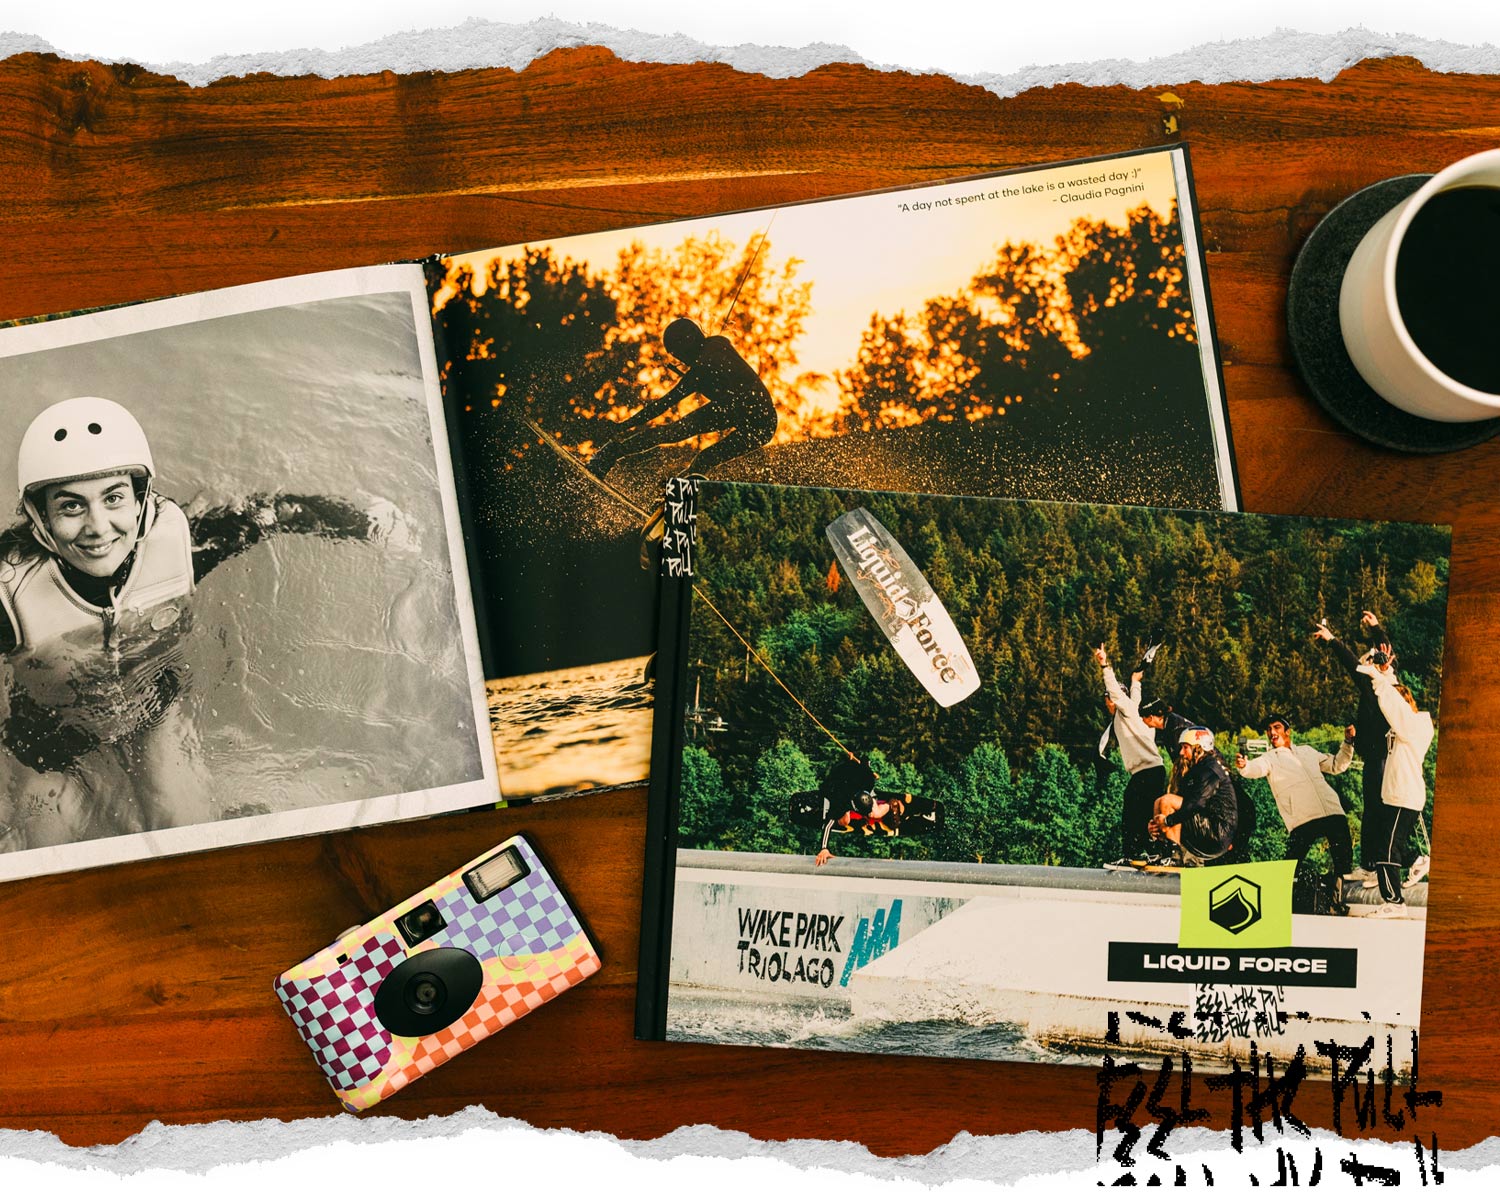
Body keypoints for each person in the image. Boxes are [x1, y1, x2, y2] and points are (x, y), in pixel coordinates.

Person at [0, 396, 405, 852]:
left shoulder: (180, 542)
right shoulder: (9, 593)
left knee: (189, 829)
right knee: (47, 852)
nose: (98, 526)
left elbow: (271, 514)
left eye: (113, 498)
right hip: (48, 732)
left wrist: (369, 524)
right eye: (71, 507)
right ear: (39, 516)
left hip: (152, 707)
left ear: (139, 499)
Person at [586, 318, 779, 479]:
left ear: (689, 341)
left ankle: (611, 453)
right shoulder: (717, 342)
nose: (679, 359)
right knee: (704, 458)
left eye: (677, 353)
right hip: (751, 417)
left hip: (757, 420)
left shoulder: (703, 366)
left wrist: (624, 425)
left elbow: (662, 405)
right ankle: (678, 488)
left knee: (674, 433)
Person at [1235, 715, 1357, 916]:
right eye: (1269, 729)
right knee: (1291, 861)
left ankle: (1337, 900)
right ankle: (1277, 900)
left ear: (1287, 731)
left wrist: (1348, 743)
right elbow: (1254, 769)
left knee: (1342, 857)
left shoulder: (1307, 752)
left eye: (1276, 727)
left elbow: (1336, 765)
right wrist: (1244, 766)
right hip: (1303, 816)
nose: (1272, 732)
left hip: (1331, 810)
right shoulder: (1269, 758)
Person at [1313, 611, 1397, 882]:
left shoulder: (1381, 683)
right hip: (1376, 756)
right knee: (1373, 811)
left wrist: (1332, 639)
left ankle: (1382, 864)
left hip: (1383, 757)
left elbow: (1357, 661)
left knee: (1378, 811)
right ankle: (1371, 864)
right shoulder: (1375, 684)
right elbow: (1381, 652)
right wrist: (1375, 629)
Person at [1356, 665, 1435, 917]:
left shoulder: (1416, 726)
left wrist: (1379, 680)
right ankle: (1417, 860)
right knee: (1386, 843)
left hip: (1405, 796)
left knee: (1387, 847)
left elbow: (1394, 705)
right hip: (1394, 797)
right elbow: (1389, 706)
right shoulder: (1401, 729)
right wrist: (1386, 673)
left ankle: (1394, 902)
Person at [1093, 644, 1167, 867]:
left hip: (1146, 771)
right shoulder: (1133, 710)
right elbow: (1134, 697)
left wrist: (1104, 664)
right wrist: (1136, 681)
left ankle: (1138, 853)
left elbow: (1117, 692)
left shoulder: (1123, 709)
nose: (1107, 703)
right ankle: (1149, 851)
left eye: (1108, 699)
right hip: (1151, 771)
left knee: (1134, 814)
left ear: (1112, 700)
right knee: (1144, 814)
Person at [1146, 727, 1238, 866]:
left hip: (1217, 833)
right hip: (1207, 825)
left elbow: (1196, 804)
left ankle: (1174, 856)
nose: (1181, 752)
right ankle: (1161, 851)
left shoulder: (1209, 770)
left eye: (1185, 747)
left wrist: (1167, 821)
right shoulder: (1198, 768)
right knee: (1159, 802)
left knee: (1167, 800)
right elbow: (1181, 804)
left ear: (1199, 748)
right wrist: (1157, 826)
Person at [808, 754, 911, 867]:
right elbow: (828, 825)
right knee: (844, 821)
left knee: (875, 813)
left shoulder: (868, 780)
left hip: (854, 774)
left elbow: (865, 759)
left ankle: (891, 804)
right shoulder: (840, 801)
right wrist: (824, 848)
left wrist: (863, 764)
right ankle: (843, 812)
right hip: (836, 778)